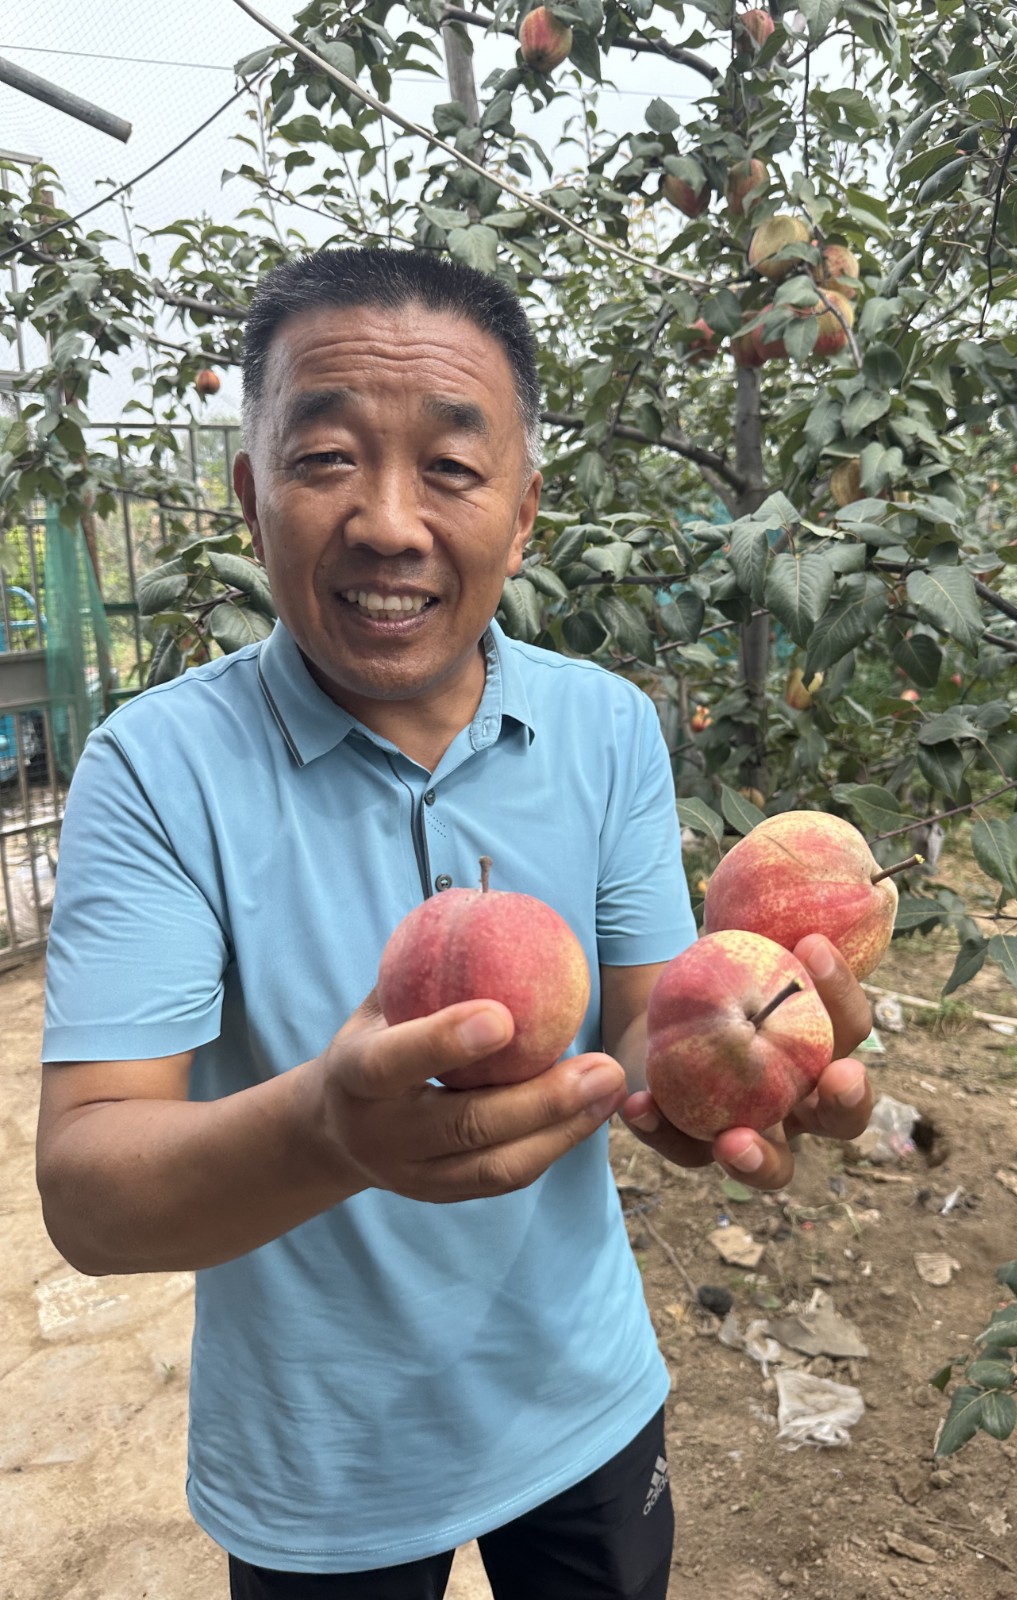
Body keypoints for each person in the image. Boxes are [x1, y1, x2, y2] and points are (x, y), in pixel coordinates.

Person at [36, 247, 873, 1600]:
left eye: (450, 467)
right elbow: (89, 1193)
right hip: (321, 1464)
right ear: (250, 496)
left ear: (523, 514)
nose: (386, 520)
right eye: (325, 459)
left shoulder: (604, 727)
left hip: (585, 1395)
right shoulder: (157, 770)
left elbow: (644, 1024)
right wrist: (328, 1131)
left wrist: (744, 1050)